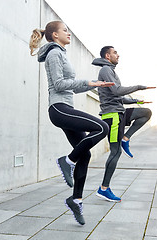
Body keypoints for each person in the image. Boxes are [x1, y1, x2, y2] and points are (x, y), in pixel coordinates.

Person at [29, 21, 114, 225]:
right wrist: (88, 82)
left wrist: (92, 85)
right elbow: (58, 84)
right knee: (102, 127)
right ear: (55, 35)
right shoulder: (54, 54)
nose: (68, 33)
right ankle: (67, 161)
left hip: (65, 106)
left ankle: (75, 200)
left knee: (84, 153)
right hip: (59, 109)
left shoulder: (60, 53)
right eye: (65, 30)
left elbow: (71, 88)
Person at [92, 46, 154, 202]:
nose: (118, 55)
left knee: (146, 112)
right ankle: (104, 189)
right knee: (115, 152)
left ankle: (126, 139)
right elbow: (117, 91)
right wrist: (138, 87)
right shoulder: (106, 69)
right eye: (115, 53)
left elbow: (118, 98)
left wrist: (136, 100)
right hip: (112, 116)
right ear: (107, 56)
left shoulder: (111, 71)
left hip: (119, 113)